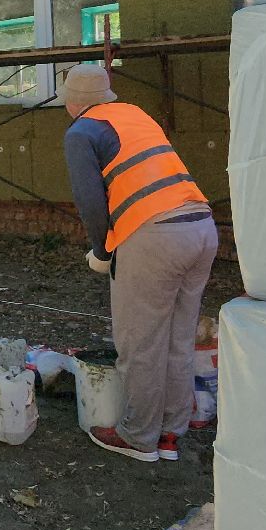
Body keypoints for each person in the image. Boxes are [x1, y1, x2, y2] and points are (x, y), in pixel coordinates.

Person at [60, 63, 217, 464]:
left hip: (155, 236)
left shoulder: (81, 133)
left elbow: (91, 203)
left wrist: (103, 251)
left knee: (140, 344)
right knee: (178, 339)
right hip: (201, 227)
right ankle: (169, 434)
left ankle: (139, 438)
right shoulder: (135, 114)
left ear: (72, 102)